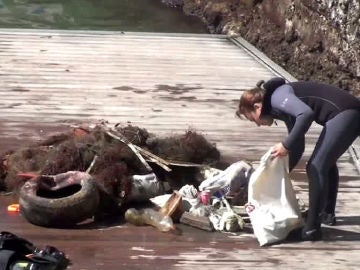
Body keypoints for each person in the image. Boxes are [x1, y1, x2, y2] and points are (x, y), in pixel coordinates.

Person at [237, 77, 360, 241]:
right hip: (346, 112)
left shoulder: (278, 98)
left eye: (252, 119)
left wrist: (285, 145)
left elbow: (306, 114)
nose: (257, 124)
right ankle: (326, 213)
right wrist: (275, 171)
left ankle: (312, 230)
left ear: (257, 107)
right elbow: (298, 145)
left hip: (346, 112)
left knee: (316, 167)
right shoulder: (280, 108)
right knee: (324, 163)